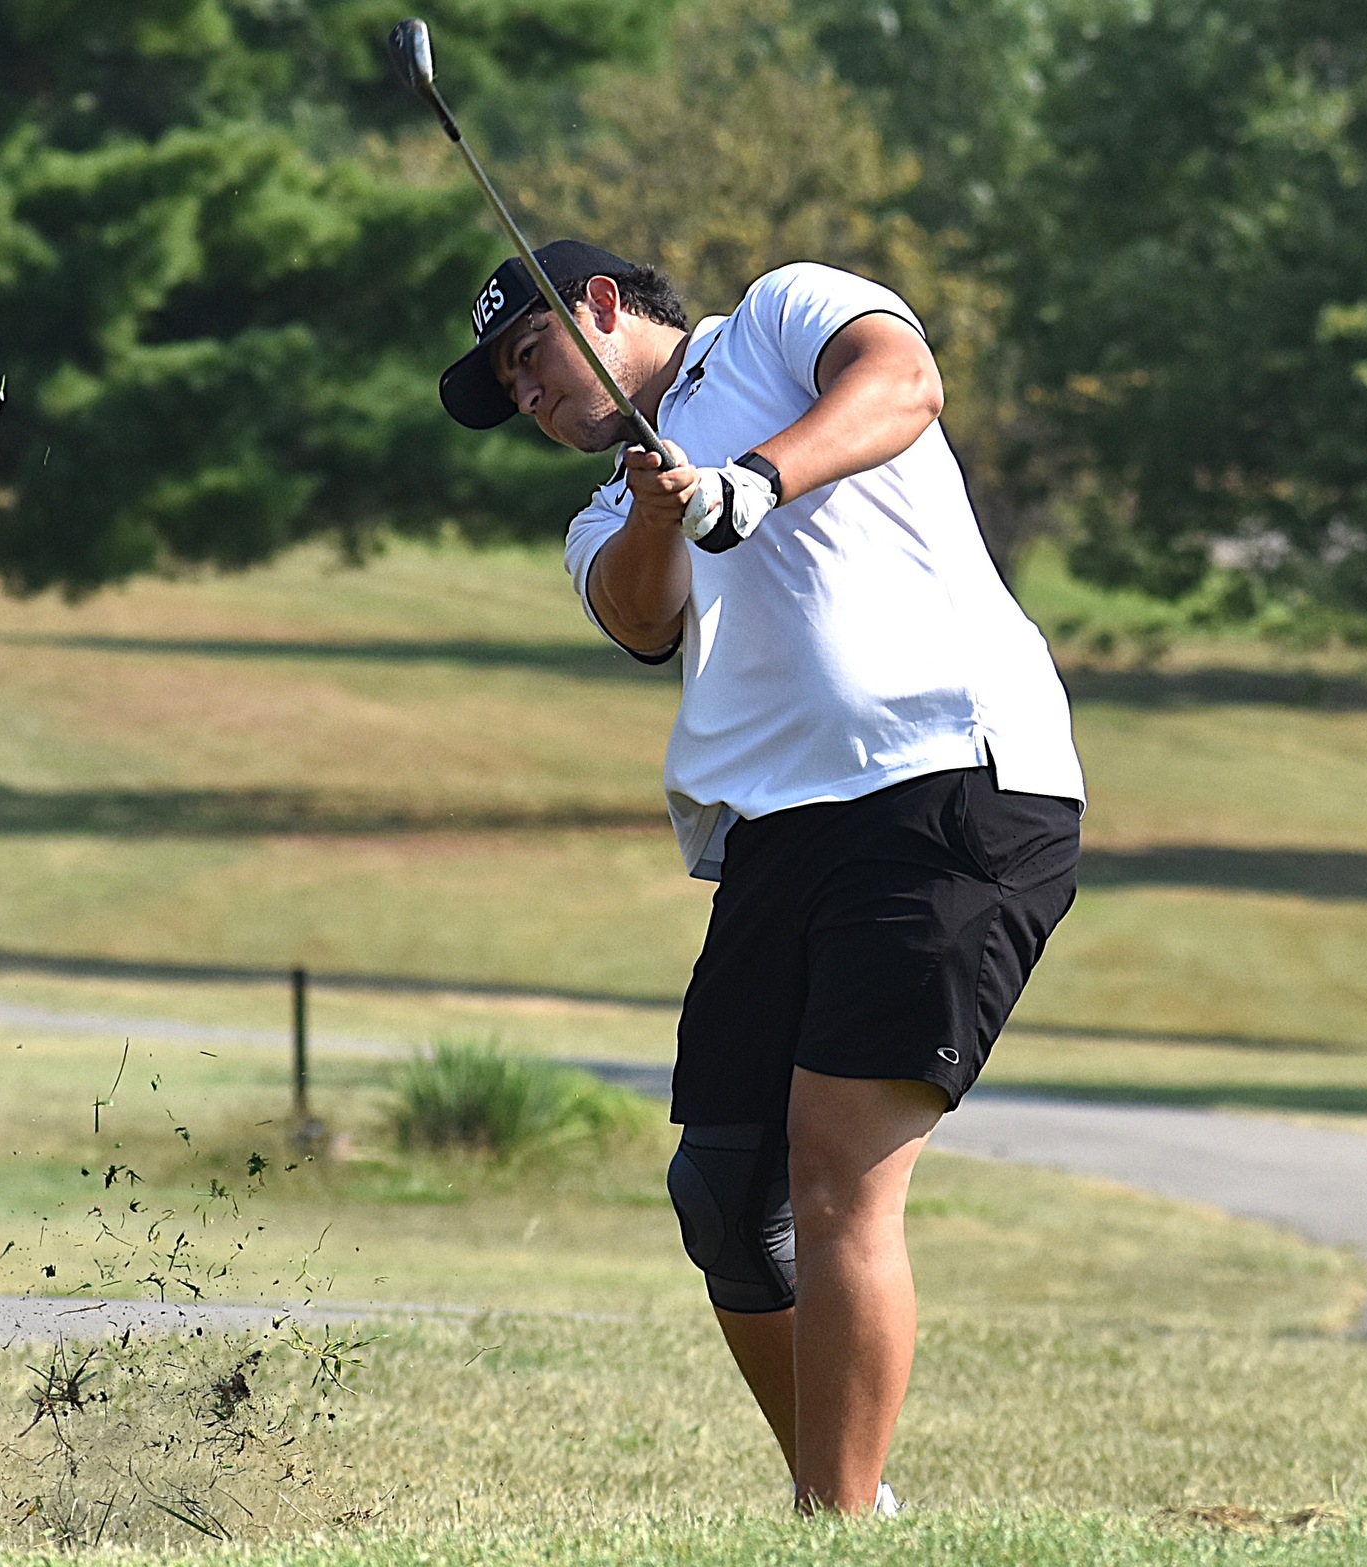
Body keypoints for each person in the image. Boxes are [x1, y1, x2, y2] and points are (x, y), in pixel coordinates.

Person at [438, 241, 1084, 1515]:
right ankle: (851, 1499)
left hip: (950, 775)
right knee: (726, 1193)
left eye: (530, 356)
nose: (525, 394)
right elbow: (638, 616)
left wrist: (755, 476)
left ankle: (831, 1525)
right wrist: (662, 509)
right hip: (783, 835)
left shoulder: (780, 318)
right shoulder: (605, 506)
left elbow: (903, 384)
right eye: (510, 389)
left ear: (608, 307)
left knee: (835, 1167)